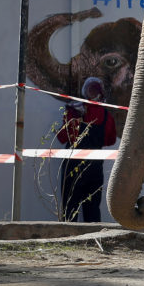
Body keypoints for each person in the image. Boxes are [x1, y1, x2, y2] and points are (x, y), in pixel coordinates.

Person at [56, 77, 116, 222]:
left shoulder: (74, 110)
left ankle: (68, 241)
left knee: (69, 210)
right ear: (101, 94)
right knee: (92, 211)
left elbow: (62, 138)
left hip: (72, 168)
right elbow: (111, 140)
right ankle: (93, 241)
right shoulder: (107, 116)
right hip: (94, 169)